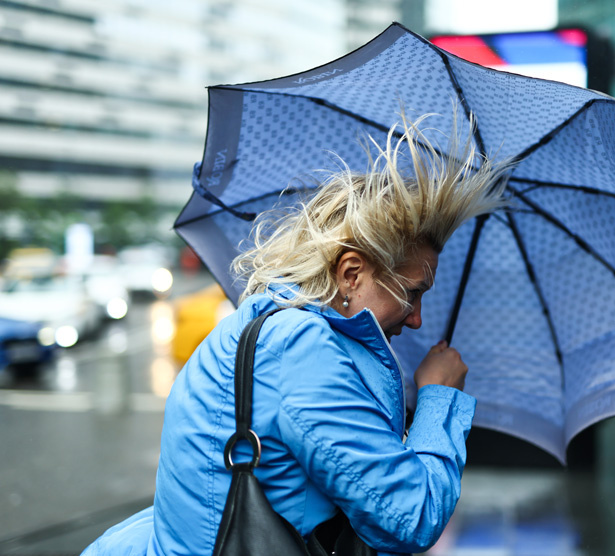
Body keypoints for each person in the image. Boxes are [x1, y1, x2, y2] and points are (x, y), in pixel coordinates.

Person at [81, 115, 513, 555]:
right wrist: (438, 398)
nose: (417, 318)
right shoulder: (300, 349)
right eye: (412, 292)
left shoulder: (269, 324)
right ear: (350, 274)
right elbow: (410, 518)